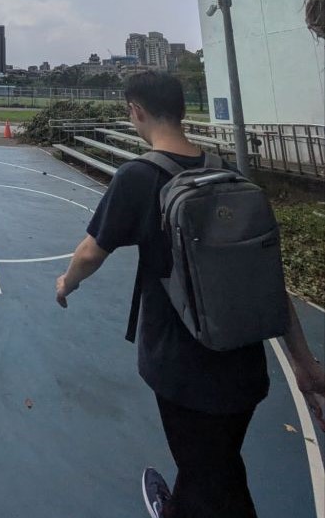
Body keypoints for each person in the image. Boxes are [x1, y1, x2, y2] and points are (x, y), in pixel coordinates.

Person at [54, 71, 324, 518]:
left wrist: (67, 283)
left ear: (136, 111)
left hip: (182, 366)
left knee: (212, 480)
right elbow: (266, 278)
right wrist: (304, 364)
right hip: (243, 361)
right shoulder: (227, 172)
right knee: (214, 463)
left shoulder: (138, 177)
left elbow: (89, 252)